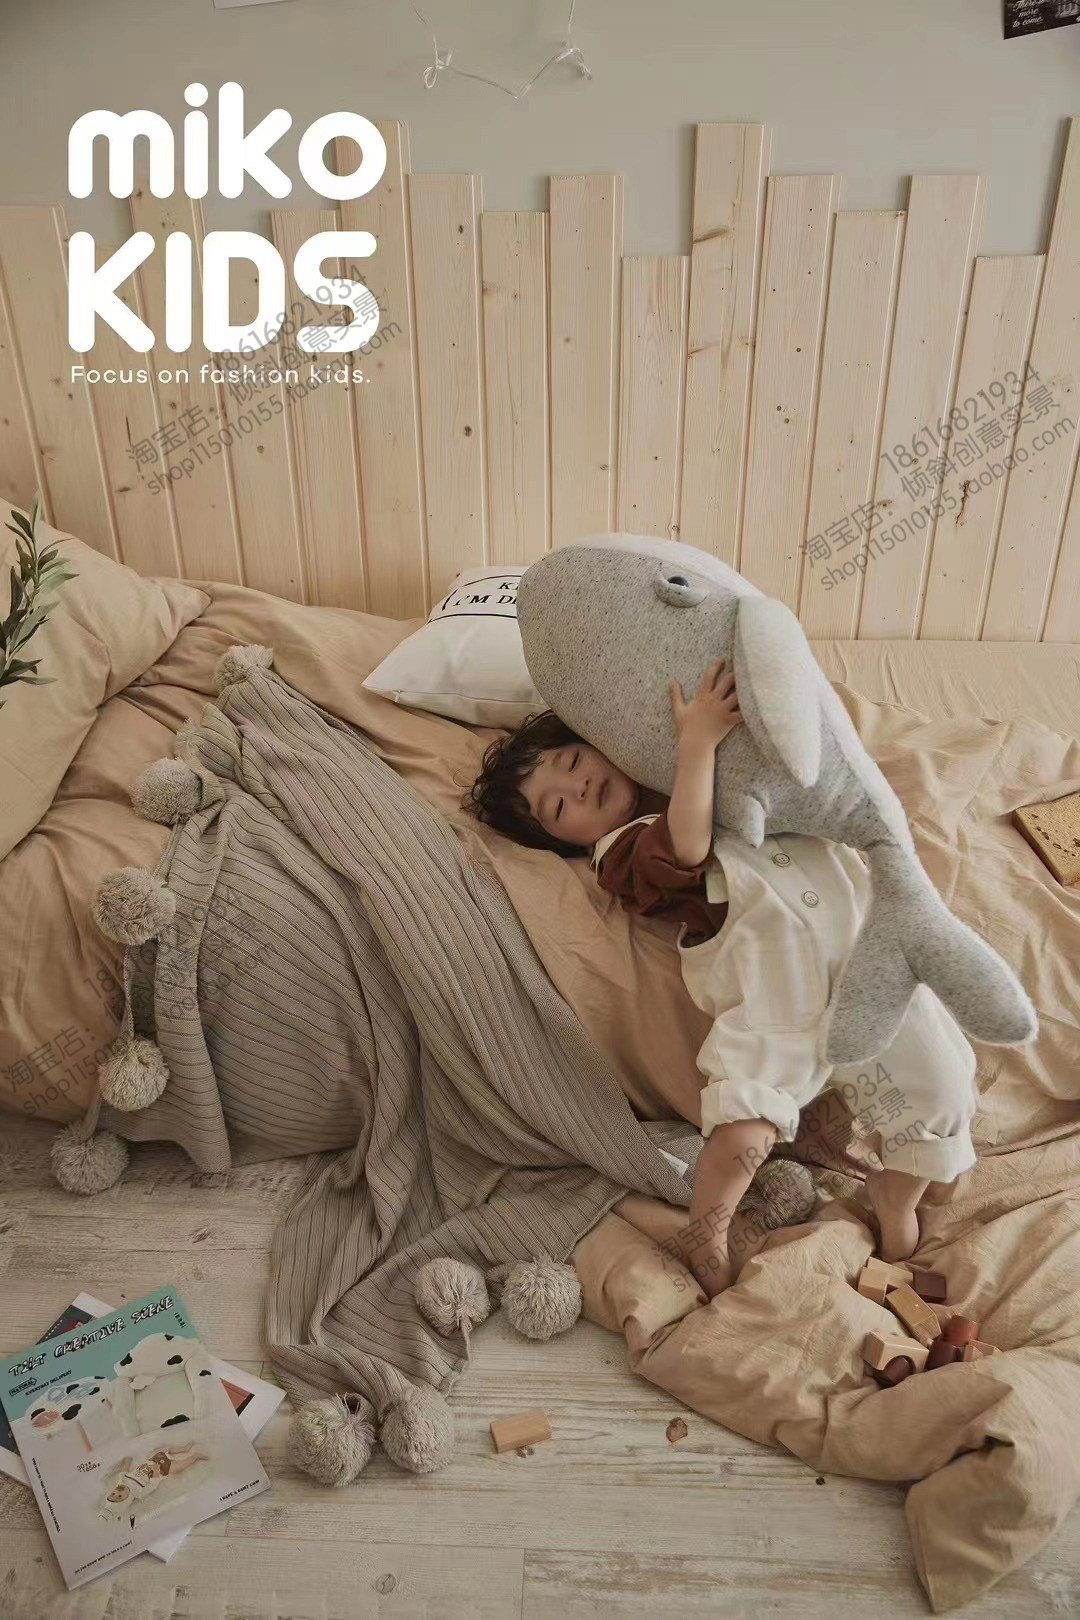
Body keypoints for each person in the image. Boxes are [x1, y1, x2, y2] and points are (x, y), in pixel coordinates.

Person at [464, 660, 978, 1298]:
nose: (579, 786)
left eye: (572, 762)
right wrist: (697, 743)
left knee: (942, 1086)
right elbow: (687, 844)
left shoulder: (717, 774)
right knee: (749, 1114)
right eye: (558, 806)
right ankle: (708, 1231)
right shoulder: (622, 849)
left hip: (868, 954)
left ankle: (895, 1199)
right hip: (775, 984)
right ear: (563, 842)